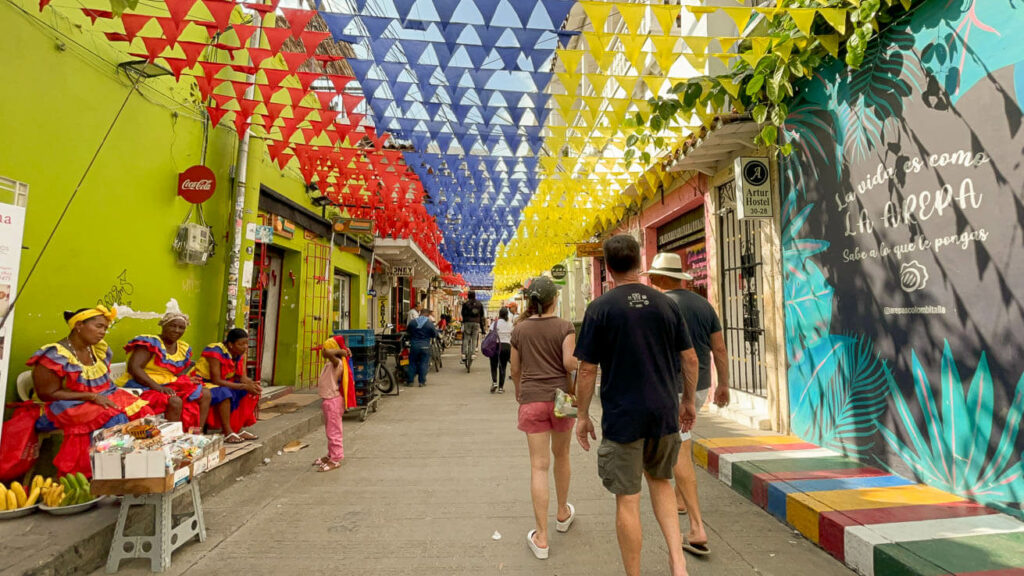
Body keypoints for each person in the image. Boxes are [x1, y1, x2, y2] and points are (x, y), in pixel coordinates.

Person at [574, 235, 699, 576]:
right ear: (640, 262)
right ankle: (678, 563)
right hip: (663, 412)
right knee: (661, 483)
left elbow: (587, 369)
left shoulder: (600, 308)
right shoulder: (666, 305)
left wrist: (582, 416)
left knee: (628, 498)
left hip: (622, 417)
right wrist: (687, 400)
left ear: (608, 267)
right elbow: (690, 358)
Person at [645, 252, 731, 556]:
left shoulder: (659, 306)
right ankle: (681, 501)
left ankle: (696, 527)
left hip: (673, 389)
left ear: (658, 278)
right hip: (700, 387)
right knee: (680, 442)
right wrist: (723, 383)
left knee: (680, 447)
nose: (650, 280)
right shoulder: (703, 304)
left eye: (652, 276)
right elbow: (719, 347)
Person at [27, 306, 154, 477]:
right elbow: (48, 394)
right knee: (115, 417)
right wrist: (91, 396)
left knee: (142, 411)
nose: (103, 332)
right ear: (79, 325)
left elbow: (102, 384)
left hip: (96, 397)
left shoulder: (96, 350)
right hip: (60, 407)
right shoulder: (55, 355)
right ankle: (108, 474)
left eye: (105, 328)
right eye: (98, 326)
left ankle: (138, 466)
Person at [509, 276, 578, 560]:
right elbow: (569, 364)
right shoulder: (565, 326)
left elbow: (514, 369)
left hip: (532, 398)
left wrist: (519, 392)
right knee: (562, 456)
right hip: (563, 399)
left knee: (539, 466)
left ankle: (542, 537)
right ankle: (562, 513)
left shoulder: (520, 329)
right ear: (554, 299)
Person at [118, 310, 213, 431]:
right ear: (163, 325)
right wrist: (158, 387)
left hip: (168, 384)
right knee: (174, 401)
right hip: (143, 385)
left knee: (205, 393)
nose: (177, 330)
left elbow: (173, 371)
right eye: (173, 326)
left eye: (181, 327)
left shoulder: (182, 347)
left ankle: (195, 433)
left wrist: (185, 380)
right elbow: (134, 368)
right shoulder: (151, 343)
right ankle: (173, 439)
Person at [196, 328, 262, 444]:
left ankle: (238, 428)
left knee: (248, 392)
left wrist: (252, 384)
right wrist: (243, 386)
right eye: (241, 344)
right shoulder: (215, 351)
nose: (245, 347)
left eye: (246, 343)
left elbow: (242, 377)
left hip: (222, 381)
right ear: (230, 344)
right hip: (203, 381)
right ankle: (227, 431)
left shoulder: (240, 353)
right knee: (225, 393)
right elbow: (216, 380)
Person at [314, 334, 355, 472]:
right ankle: (331, 454)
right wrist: (340, 350)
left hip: (333, 401)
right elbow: (327, 353)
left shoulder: (337, 363)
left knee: (334, 432)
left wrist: (339, 351)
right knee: (330, 430)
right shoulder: (332, 362)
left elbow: (326, 353)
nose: (324, 351)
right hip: (329, 401)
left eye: (327, 347)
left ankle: (336, 459)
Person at [405, 308, 437, 386]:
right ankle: (421, 382)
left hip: (414, 346)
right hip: (425, 346)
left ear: (420, 313)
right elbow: (434, 334)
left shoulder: (413, 322)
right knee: (424, 363)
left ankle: (410, 381)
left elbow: (408, 332)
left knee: (412, 363)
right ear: (428, 315)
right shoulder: (429, 323)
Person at [489, 307, 514, 393]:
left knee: (493, 365)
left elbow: (490, 333)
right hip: (506, 346)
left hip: (495, 346)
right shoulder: (510, 324)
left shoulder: (495, 323)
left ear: (499, 314)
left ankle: (495, 382)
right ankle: (500, 388)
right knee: (503, 367)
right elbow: (513, 335)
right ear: (506, 314)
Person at [460, 291, 485, 371]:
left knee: (466, 337)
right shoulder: (479, 304)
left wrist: (464, 322)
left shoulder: (465, 304)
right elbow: (482, 316)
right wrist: (483, 328)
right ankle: (473, 354)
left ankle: (464, 354)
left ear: (468, 296)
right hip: (476, 323)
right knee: (474, 338)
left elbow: (462, 313)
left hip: (467, 322)